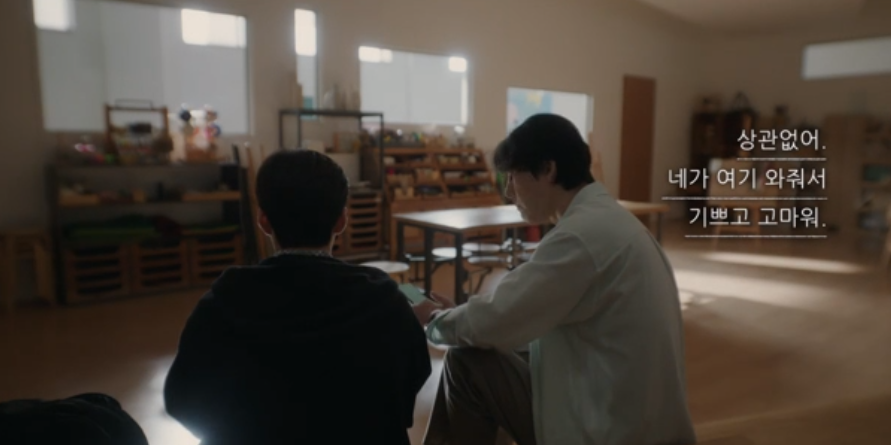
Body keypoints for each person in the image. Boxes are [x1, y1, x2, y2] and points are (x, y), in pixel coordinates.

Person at [412, 114, 696, 445]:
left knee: (466, 361)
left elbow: (501, 318)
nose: (508, 192)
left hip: (611, 430)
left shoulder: (580, 236)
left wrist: (435, 320)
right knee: (481, 344)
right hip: (636, 417)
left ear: (548, 169)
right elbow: (515, 316)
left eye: (513, 177)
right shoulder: (608, 220)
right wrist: (461, 319)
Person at [165, 150, 432, 445]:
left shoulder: (222, 303)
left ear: (263, 221)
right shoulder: (385, 300)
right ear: (342, 220)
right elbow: (412, 380)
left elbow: (182, 399)